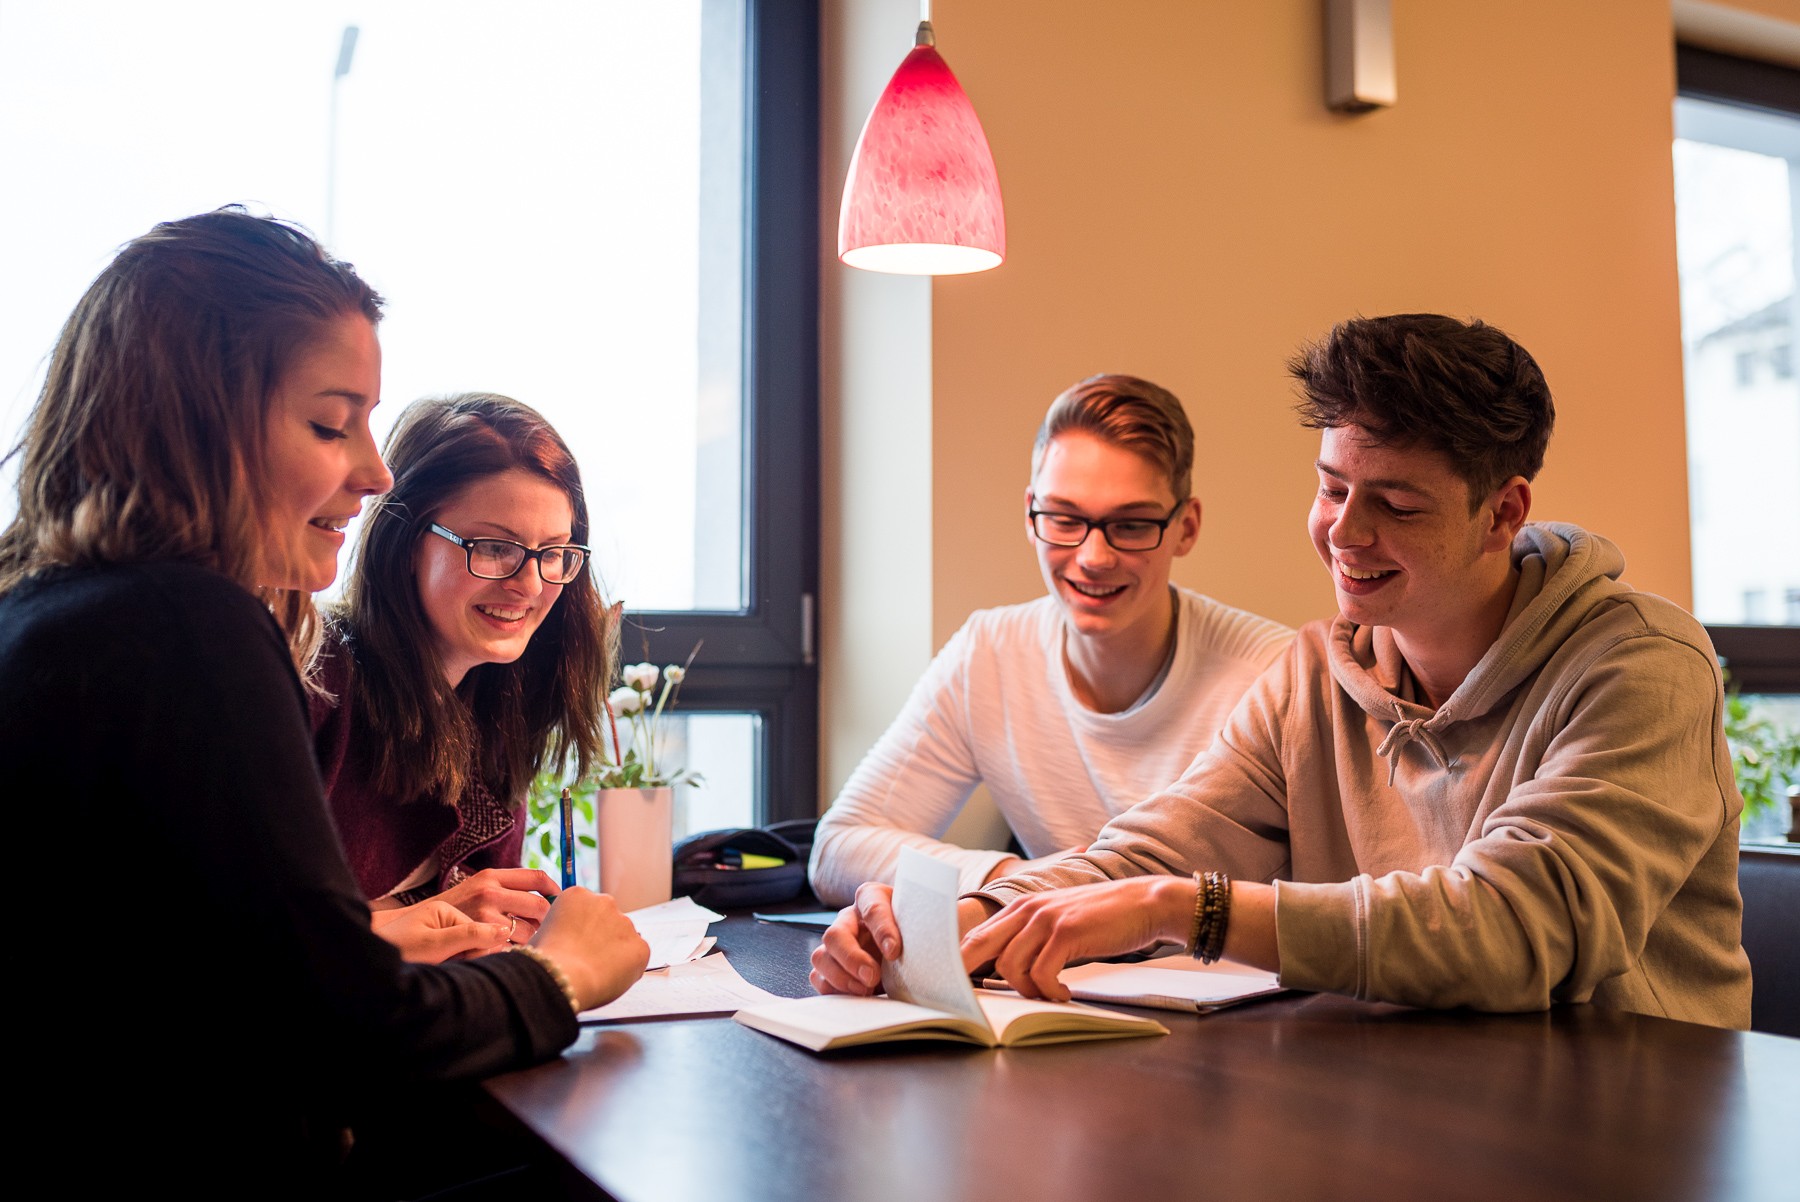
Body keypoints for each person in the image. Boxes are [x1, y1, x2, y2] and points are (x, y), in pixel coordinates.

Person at [812, 314, 1752, 1030]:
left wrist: (1191, 909)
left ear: (1503, 512)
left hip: (1625, 1123)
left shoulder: (1641, 668)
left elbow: (1514, 927)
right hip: (1408, 1107)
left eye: (1395, 505)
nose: (1344, 533)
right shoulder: (1314, 674)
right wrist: (968, 914)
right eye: (1332, 487)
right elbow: (1149, 854)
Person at [0, 208, 650, 1191]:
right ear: (200, 422)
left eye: (554, 554)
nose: (374, 472)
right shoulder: (190, 624)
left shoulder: (52, 611)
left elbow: (226, 981)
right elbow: (344, 1030)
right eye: (327, 424)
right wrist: (560, 975)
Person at [809, 374, 1293, 906]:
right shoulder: (990, 655)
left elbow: (1341, 901)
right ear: (1030, 513)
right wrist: (1019, 878)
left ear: (1187, 527)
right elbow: (836, 849)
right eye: (1063, 518)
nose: (1094, 557)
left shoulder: (1274, 674)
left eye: (1132, 525)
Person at [312, 392, 614, 962]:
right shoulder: (316, 680)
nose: (529, 585)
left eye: (553, 553)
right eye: (495, 547)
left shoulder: (500, 704)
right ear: (405, 542)